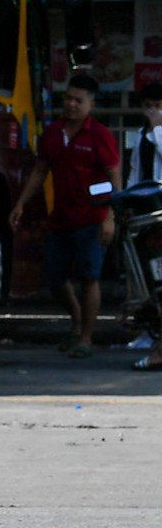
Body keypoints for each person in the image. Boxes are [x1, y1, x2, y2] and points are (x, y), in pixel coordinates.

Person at [10, 74, 118, 360]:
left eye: (77, 100)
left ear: (90, 105)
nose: (70, 104)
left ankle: (85, 338)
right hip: (60, 219)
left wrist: (110, 217)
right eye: (68, 98)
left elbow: (114, 177)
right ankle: (78, 319)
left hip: (93, 219)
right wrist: (20, 203)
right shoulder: (53, 132)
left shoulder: (101, 136)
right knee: (54, 279)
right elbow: (40, 170)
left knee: (89, 278)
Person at [120, 83, 162, 368]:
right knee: (153, 284)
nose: (152, 110)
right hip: (148, 216)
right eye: (148, 105)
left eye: (158, 105)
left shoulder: (157, 133)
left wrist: (158, 127)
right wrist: (126, 202)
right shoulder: (141, 135)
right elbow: (136, 171)